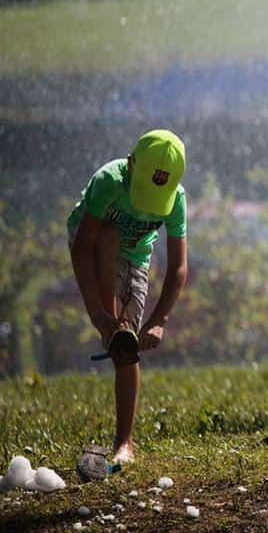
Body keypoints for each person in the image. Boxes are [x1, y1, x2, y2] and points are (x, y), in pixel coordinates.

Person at [68, 129, 188, 463]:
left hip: (135, 255)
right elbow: (81, 250)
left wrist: (158, 320)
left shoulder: (176, 199)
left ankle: (125, 443)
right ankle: (112, 327)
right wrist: (98, 314)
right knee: (109, 235)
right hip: (92, 242)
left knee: (126, 344)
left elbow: (178, 267)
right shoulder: (109, 181)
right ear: (132, 163)